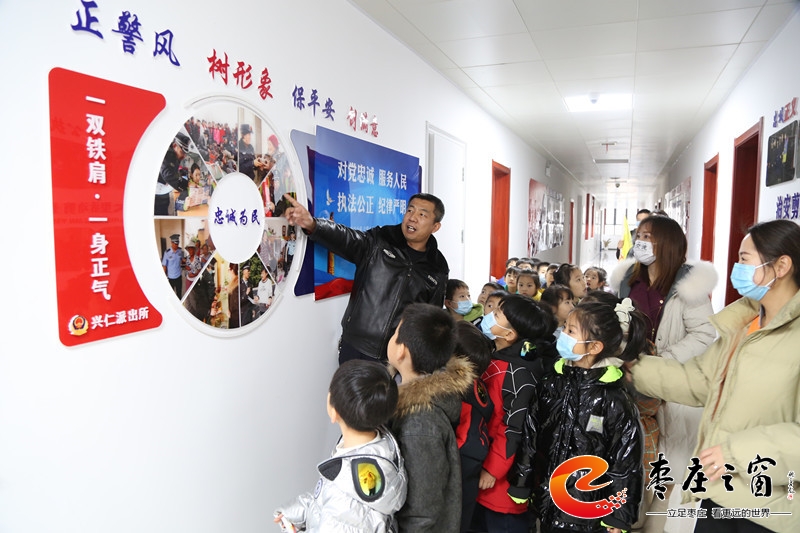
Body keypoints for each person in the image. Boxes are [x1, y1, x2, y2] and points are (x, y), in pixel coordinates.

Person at [629, 219, 800, 533]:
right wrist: (631, 368)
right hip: (719, 491)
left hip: (772, 509)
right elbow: (699, 380)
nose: (737, 268)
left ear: (781, 266)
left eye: (744, 259)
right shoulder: (744, 324)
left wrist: (734, 453)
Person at [610, 214, 717, 532]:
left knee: (664, 470)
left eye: (649, 236)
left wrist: (662, 361)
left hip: (671, 383)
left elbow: (704, 334)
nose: (640, 242)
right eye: (639, 235)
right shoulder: (628, 279)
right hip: (630, 379)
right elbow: (617, 322)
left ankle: (652, 525)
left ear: (668, 244)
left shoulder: (688, 286)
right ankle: (629, 518)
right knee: (632, 456)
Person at [508, 300, 648, 533]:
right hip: (547, 501)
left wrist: (618, 514)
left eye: (571, 331)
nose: (563, 334)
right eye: (564, 327)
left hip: (588, 511)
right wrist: (521, 482)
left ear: (594, 347)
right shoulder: (550, 383)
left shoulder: (614, 399)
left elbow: (625, 461)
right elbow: (530, 436)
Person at [283, 192, 449, 364]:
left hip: (397, 359)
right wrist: (312, 224)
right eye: (410, 210)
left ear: (435, 226)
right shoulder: (380, 240)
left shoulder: (437, 268)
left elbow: (431, 320)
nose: (412, 218)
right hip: (356, 347)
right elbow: (346, 239)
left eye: (422, 215)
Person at [274, 360, 407, 533]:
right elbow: (327, 498)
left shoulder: (343, 494)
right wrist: (297, 510)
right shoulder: (379, 448)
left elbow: (337, 504)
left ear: (333, 410)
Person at [386, 303, 474, 533]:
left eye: (395, 332)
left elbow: (422, 511)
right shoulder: (399, 390)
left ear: (401, 351)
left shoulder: (420, 425)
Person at [475, 294, 557, 532]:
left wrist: (493, 469)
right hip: (483, 474)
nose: (490, 316)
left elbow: (514, 428)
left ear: (510, 335)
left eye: (497, 314)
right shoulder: (496, 356)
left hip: (501, 485)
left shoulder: (519, 373)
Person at [452, 320, 495, 533]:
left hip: (461, 459)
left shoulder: (457, 391)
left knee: (456, 517)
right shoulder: (478, 385)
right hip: (474, 456)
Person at [155, 133, 190, 215]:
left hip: (163, 189)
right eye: (182, 152)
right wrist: (184, 186)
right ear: (174, 146)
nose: (184, 156)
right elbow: (168, 175)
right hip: (157, 193)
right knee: (160, 213)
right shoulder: (168, 155)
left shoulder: (174, 155)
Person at [162, 234, 185, 298]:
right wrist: (164, 277)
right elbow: (164, 266)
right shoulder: (167, 253)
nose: (177, 245)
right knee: (171, 295)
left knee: (179, 294)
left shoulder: (180, 251)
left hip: (178, 277)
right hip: (171, 278)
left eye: (178, 244)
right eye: (175, 244)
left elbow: (182, 260)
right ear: (171, 243)